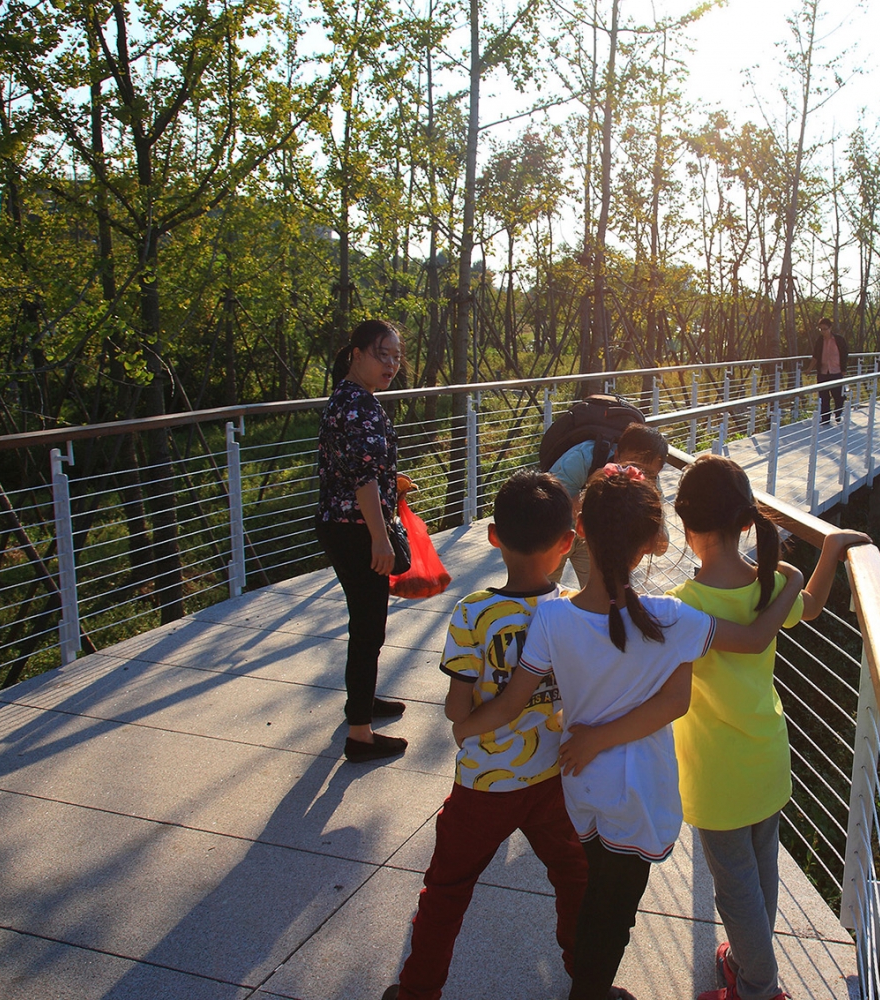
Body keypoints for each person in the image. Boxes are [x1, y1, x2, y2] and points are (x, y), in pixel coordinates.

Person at [464, 464, 805, 1000]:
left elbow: (511, 701)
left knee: (594, 892)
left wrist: (464, 723)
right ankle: (590, 991)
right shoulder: (675, 618)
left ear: (581, 535)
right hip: (641, 797)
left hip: (581, 785)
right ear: (653, 542)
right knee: (613, 910)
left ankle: (589, 984)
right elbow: (701, 682)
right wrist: (795, 581)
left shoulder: (552, 619)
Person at [382, 471, 589, 1000]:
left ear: (494, 536)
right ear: (568, 541)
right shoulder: (574, 607)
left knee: (447, 889)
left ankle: (418, 990)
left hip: (484, 784)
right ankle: (589, 983)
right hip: (554, 778)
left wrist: (472, 719)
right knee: (576, 880)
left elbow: (458, 705)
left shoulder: (474, 611)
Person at [671, 455, 869, 1000]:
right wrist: (824, 554)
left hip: (716, 775)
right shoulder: (767, 587)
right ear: (744, 522)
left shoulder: (684, 606)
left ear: (686, 527)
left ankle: (760, 988)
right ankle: (741, 960)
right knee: (760, 878)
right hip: (767, 756)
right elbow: (810, 609)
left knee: (736, 893)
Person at [316, 318, 409, 763]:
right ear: (357, 354)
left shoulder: (350, 397)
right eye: (382, 354)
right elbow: (363, 479)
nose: (391, 364)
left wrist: (394, 483)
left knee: (367, 623)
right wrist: (380, 538)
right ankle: (360, 734)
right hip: (356, 529)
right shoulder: (358, 406)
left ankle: (363, 701)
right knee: (368, 625)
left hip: (344, 523)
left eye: (396, 356)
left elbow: (358, 468)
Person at [547, 422, 670, 588]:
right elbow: (550, 510)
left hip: (595, 536)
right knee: (543, 590)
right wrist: (594, 490)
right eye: (631, 466)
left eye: (647, 473)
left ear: (658, 471)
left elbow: (661, 548)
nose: (636, 475)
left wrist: (655, 526)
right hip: (556, 531)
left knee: (604, 591)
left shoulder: (651, 483)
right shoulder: (582, 459)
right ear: (617, 455)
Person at [812, 316, 849, 425]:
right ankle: (825, 419)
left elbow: (844, 354)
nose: (823, 331)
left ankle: (838, 413)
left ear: (830, 328)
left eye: (825, 329)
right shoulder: (820, 340)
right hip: (823, 372)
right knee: (824, 397)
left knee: (838, 395)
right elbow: (815, 356)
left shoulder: (839, 340)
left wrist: (844, 369)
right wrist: (809, 369)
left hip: (836, 371)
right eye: (821, 329)